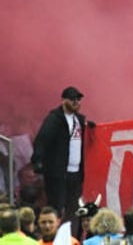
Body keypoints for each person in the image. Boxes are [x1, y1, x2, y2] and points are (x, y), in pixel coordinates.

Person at [31, 87, 87, 221]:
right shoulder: (54, 119)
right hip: (58, 173)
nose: (76, 102)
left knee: (74, 209)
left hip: (76, 173)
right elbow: (42, 140)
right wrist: (37, 161)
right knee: (56, 207)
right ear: (63, 100)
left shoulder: (79, 120)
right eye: (72, 99)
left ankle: (72, 238)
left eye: (78, 99)